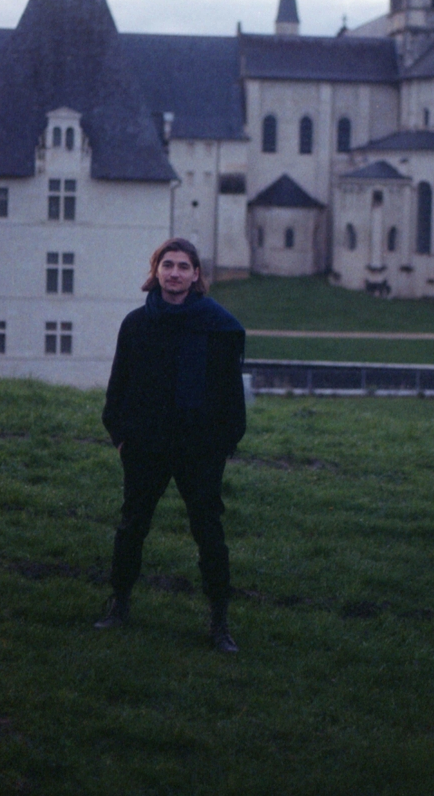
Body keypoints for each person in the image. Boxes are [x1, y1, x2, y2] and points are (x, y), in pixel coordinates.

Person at [95, 238, 246, 653]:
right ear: (156, 271)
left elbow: (232, 399)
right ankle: (118, 603)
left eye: (183, 266)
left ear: (196, 275)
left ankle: (219, 622)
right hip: (146, 444)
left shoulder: (221, 327)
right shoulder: (137, 324)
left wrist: (220, 446)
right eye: (168, 265)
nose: (175, 273)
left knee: (209, 532)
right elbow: (118, 387)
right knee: (132, 526)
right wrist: (121, 436)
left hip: (199, 449)